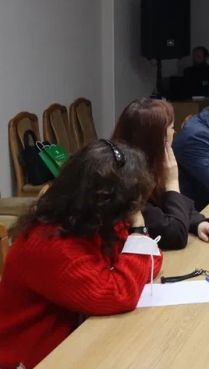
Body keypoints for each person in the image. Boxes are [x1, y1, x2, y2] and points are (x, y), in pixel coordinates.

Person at [0, 140, 163, 369]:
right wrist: (138, 230)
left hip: (75, 342)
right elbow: (117, 293)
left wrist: (137, 243)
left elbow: (153, 259)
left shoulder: (91, 219)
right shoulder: (48, 242)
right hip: (32, 359)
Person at [111, 98, 209, 250]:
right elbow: (175, 235)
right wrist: (172, 183)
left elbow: (177, 206)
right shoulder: (127, 180)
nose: (174, 132)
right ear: (159, 138)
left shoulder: (147, 165)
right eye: (171, 127)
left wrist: (199, 223)